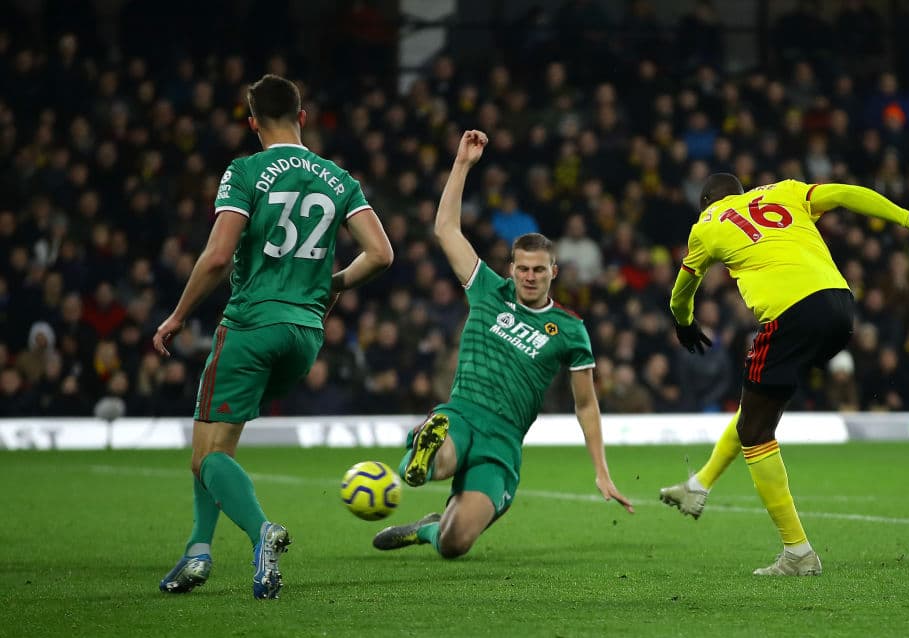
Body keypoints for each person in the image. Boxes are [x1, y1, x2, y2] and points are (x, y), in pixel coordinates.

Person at [152, 74, 393, 598]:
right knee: (216, 445)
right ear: (302, 118)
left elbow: (217, 256)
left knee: (205, 457)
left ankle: (261, 531)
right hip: (305, 335)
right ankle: (198, 551)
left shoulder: (246, 170)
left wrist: (177, 314)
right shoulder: (337, 178)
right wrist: (331, 286)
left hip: (251, 325)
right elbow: (381, 254)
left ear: (252, 122)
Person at [659, 173, 909, 576]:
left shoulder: (706, 224)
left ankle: (797, 552)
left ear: (706, 201)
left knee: (756, 432)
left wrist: (684, 322)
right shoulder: (783, 190)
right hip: (839, 305)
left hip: (791, 314)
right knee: (756, 410)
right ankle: (699, 486)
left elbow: (681, 290)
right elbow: (846, 192)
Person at [373, 130, 633, 558]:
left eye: (539, 270)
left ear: (555, 272)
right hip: (461, 413)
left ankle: (427, 529)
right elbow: (445, 228)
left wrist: (601, 472)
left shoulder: (570, 330)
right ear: (511, 269)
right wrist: (462, 165)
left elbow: (585, 404)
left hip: (504, 440)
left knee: (454, 545)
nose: (529, 276)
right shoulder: (486, 290)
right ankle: (421, 456)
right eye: (522, 268)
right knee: (438, 459)